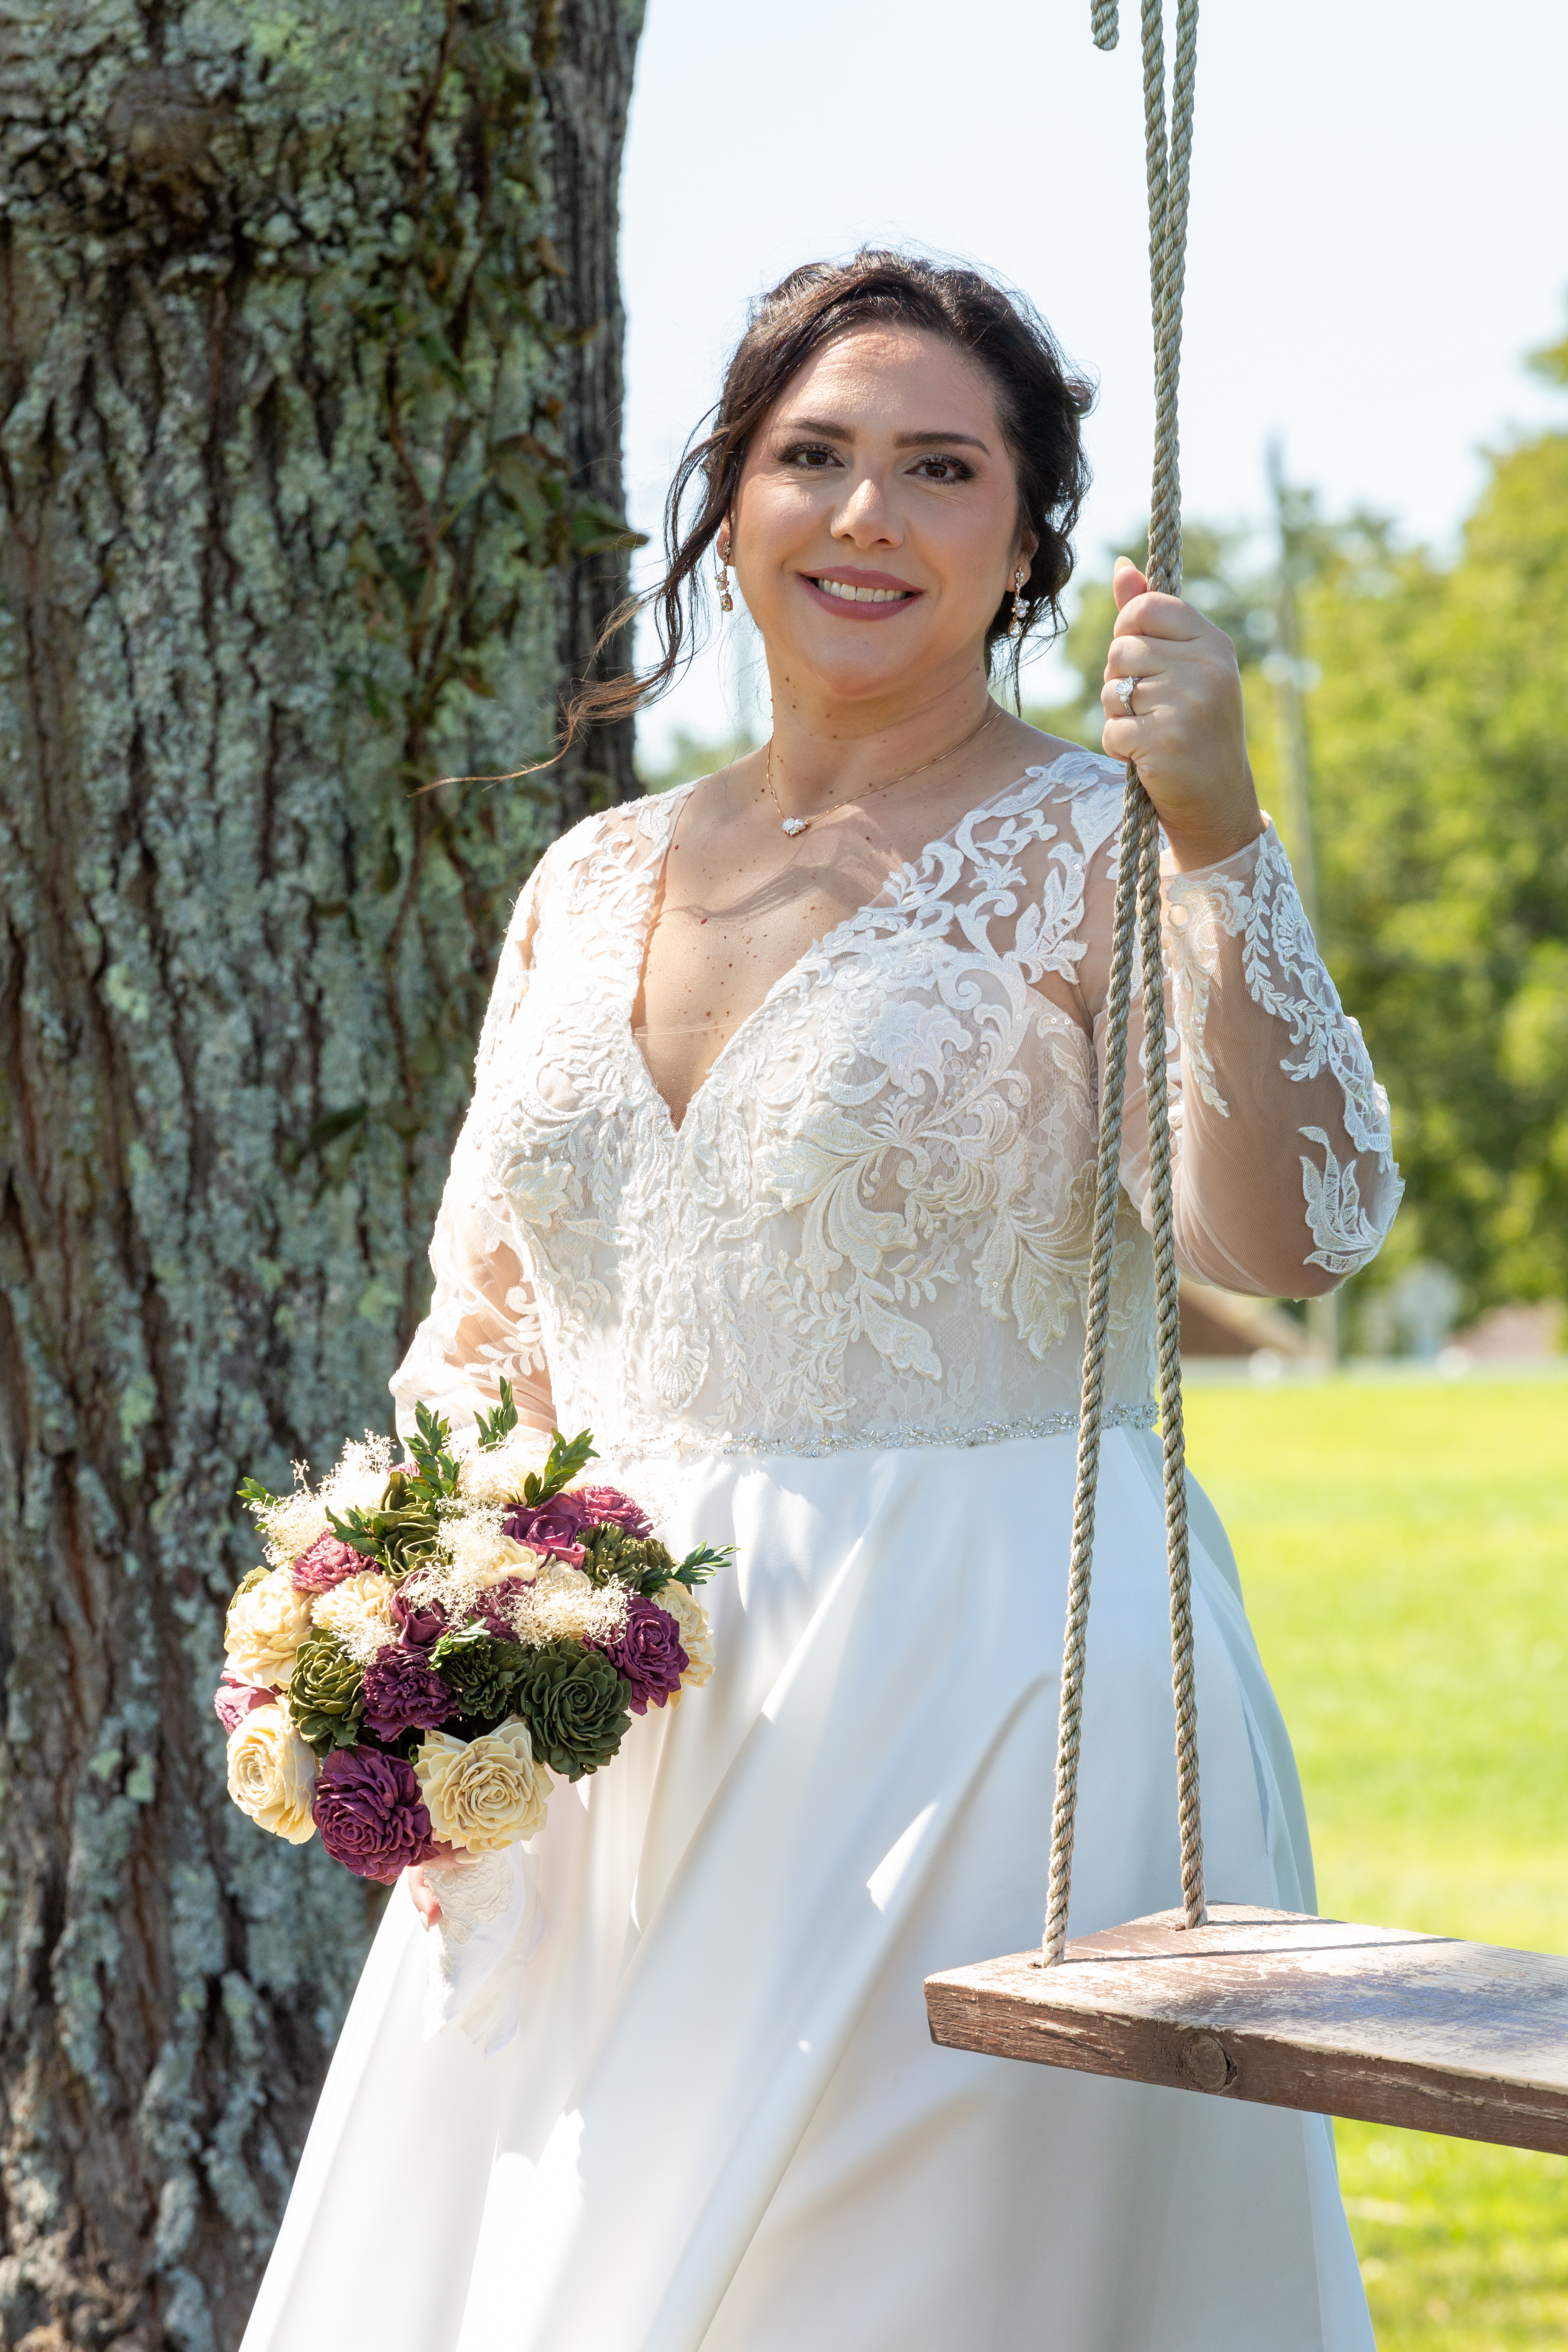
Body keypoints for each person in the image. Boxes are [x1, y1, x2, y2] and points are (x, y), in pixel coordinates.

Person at [242, 251, 1399, 2352]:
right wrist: (405, 1622)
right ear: (732, 499)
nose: (867, 515)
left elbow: (1291, 1236)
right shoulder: (589, 878)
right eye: (815, 458)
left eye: (939, 468)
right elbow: (486, 1326)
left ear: (1031, 541)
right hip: (611, 1733)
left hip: (989, 1695)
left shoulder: (1095, 846)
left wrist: (1222, 831)